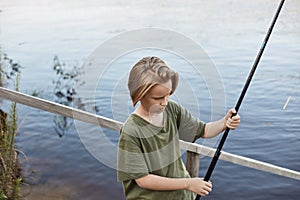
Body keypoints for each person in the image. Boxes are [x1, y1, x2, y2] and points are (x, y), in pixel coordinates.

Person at [117, 56, 241, 200]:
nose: (164, 102)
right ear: (139, 95)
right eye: (157, 98)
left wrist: (224, 123)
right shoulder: (131, 131)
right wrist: (188, 184)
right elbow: (143, 180)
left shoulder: (172, 110)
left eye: (168, 95)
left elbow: (204, 130)